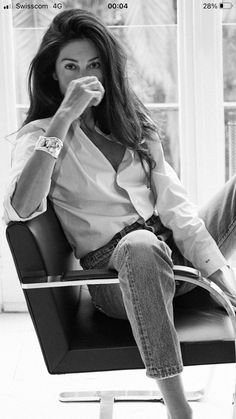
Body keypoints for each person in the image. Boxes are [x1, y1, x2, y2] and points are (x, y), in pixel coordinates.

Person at [3, 9, 236, 419]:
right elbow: (21, 207)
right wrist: (64, 118)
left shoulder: (132, 125)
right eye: (70, 67)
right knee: (140, 244)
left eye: (93, 65)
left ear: (108, 71)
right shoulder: (40, 135)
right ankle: (179, 410)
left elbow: (176, 207)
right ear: (53, 76)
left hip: (172, 260)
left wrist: (221, 280)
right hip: (113, 274)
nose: (83, 75)